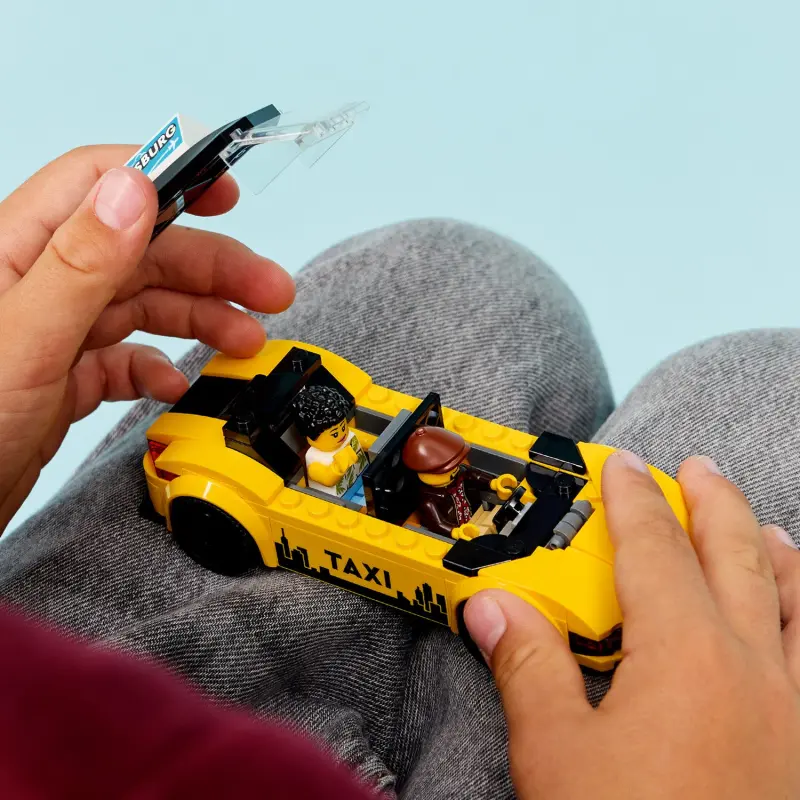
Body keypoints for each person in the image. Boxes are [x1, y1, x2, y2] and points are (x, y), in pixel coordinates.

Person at [1, 146, 800, 798]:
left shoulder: (351, 428)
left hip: (49, 699)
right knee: (774, 390)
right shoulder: (297, 469)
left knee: (454, 274)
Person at [401, 425, 520, 539]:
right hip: (457, 530)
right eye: (445, 470)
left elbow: (475, 475)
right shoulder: (429, 500)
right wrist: (455, 532)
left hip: (474, 513)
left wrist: (494, 483)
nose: (455, 470)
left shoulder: (459, 472)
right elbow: (438, 523)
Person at [293, 384, 369, 498]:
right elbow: (326, 479)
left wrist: (377, 445)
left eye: (343, 427)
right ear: (312, 436)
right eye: (334, 434)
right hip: (340, 498)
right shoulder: (315, 457)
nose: (342, 434)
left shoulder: (348, 436)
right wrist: (338, 468)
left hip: (364, 477)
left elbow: (365, 440)